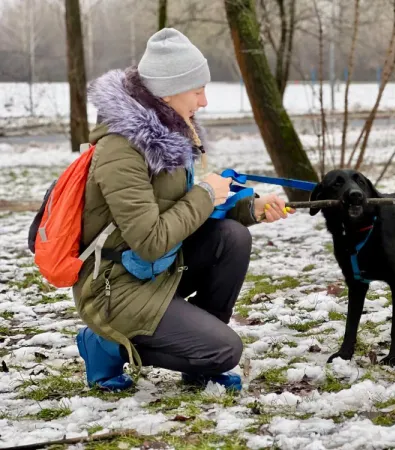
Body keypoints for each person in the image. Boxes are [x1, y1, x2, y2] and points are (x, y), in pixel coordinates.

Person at [74, 28, 292, 392]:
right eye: (198, 90)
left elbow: (184, 207)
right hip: (116, 286)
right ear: (168, 92)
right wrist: (207, 192)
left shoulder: (169, 134)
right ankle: (105, 341)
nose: (204, 101)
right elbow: (151, 240)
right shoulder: (121, 150)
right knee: (226, 351)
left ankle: (196, 351)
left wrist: (250, 209)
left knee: (232, 239)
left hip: (154, 271)